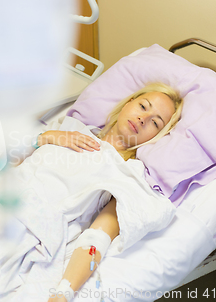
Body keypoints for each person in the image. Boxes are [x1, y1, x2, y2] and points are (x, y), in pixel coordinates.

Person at [41, 82, 184, 302]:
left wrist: (63, 294)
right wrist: (46, 137)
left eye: (155, 123)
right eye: (143, 106)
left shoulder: (127, 174)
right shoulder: (73, 130)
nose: (142, 119)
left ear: (157, 137)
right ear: (128, 103)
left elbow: (97, 237)